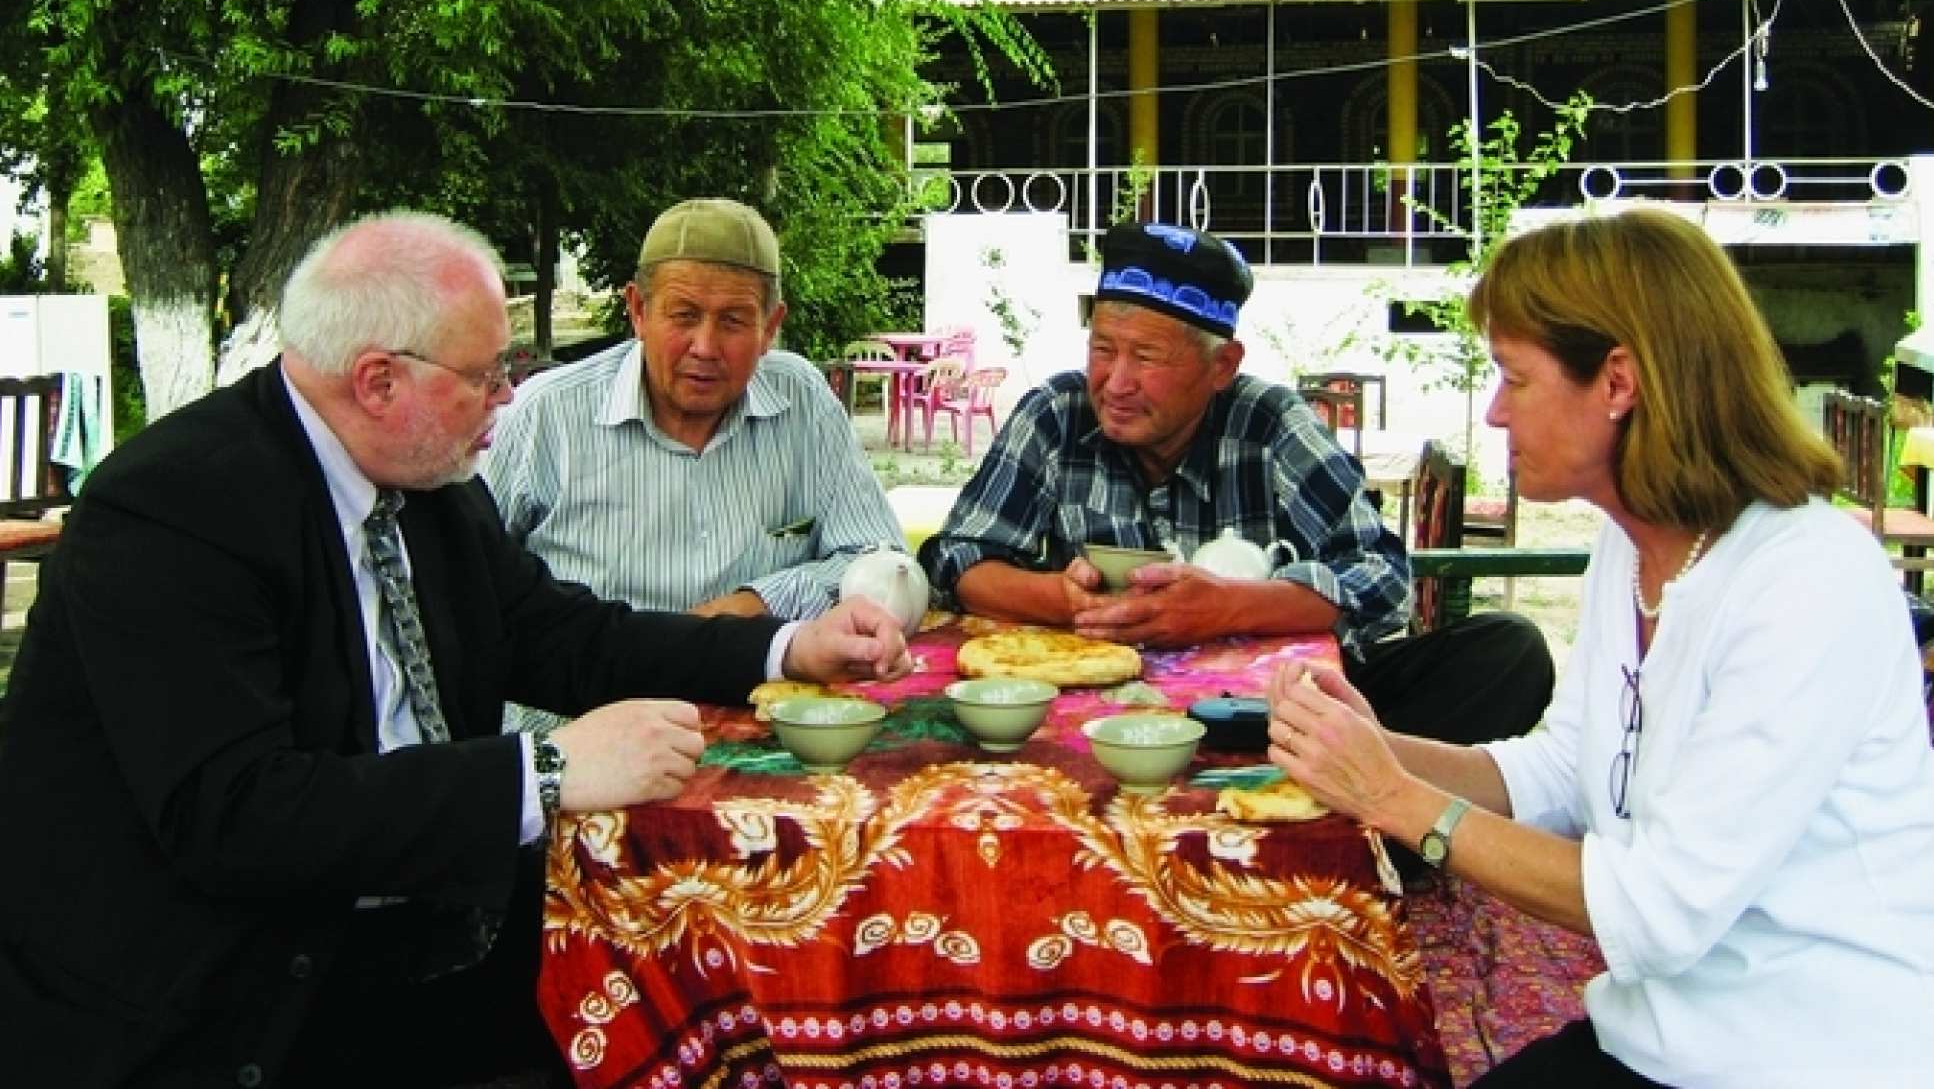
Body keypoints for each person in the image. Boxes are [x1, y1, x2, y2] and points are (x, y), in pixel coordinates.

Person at [0, 210, 910, 1088]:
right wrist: (544, 776)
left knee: (716, 962)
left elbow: (564, 638)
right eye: (487, 373)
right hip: (214, 996)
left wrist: (787, 648)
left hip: (406, 919)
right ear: (379, 381)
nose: (509, 396)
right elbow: (238, 818)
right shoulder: (173, 511)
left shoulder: (427, 480)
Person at [1265, 208, 1934, 1086]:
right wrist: (1374, 748)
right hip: (1655, 1033)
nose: (1498, 412)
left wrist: (1394, 799)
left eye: (1516, 378)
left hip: (1805, 1055)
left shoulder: (1808, 579)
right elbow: (1564, 770)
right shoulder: (1634, 542)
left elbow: (1658, 910)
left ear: (1617, 381)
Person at [923, 220, 1553, 746]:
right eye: (1103, 349)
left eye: (1145, 358)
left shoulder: (1270, 423)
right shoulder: (1055, 414)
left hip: (1273, 717)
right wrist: (1070, 602)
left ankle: (1366, 822)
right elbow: (960, 560)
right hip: (1093, 723)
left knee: (1508, 652)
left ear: (1221, 366)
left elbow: (1380, 577)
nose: (1115, 382)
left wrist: (1226, 605)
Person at [484, 197, 906, 620]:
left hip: (767, 683)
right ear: (638, 311)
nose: (705, 348)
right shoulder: (547, 415)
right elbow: (471, 580)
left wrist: (756, 604)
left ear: (770, 328)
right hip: (598, 684)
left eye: (733, 322)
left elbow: (880, 562)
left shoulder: (802, 402)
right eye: (684, 316)